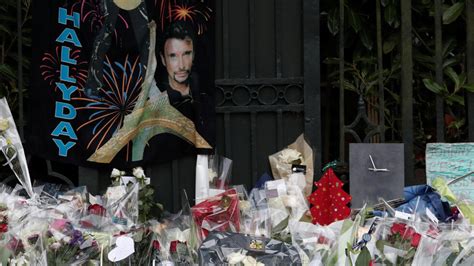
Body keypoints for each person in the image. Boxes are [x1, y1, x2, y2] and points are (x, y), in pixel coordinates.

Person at [157, 21, 199, 119]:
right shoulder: (156, 104)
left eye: (186, 54)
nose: (181, 66)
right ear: (163, 59)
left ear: (193, 55)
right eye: (173, 56)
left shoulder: (206, 99)